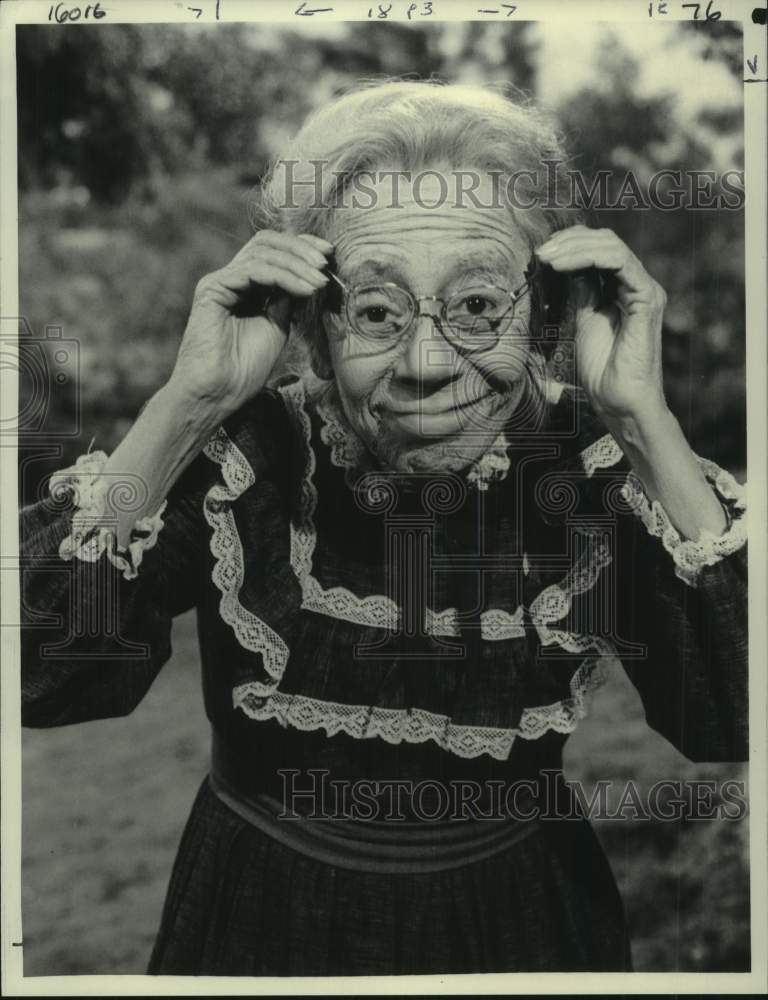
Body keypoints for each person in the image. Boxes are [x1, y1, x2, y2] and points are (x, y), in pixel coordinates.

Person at [20, 81, 747, 975]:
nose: (428, 365)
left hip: (521, 932)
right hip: (258, 932)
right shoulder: (247, 456)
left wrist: (641, 420)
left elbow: (735, 717)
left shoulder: (590, 465)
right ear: (316, 330)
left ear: (549, 313)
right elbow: (42, 675)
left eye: (480, 305)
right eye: (375, 313)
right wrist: (190, 404)